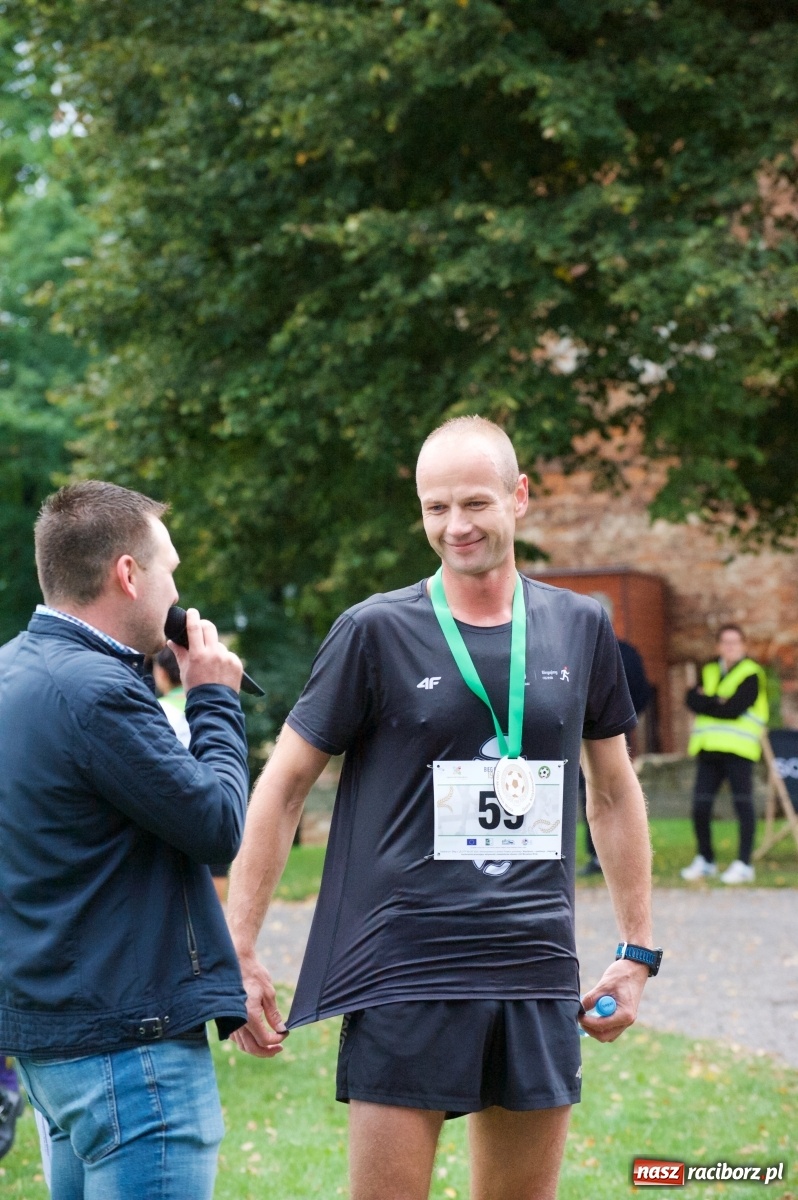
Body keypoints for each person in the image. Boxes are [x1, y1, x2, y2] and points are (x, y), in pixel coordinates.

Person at [227, 417, 660, 1200]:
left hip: (535, 967)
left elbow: (614, 790)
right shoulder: (374, 631)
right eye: (435, 508)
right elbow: (283, 786)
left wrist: (637, 949)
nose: (454, 526)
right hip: (405, 967)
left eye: (474, 502)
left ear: (519, 496)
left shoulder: (580, 625)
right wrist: (242, 946)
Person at [0, 481, 249, 1199]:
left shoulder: (17, 671)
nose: (178, 587)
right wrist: (212, 699)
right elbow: (217, 825)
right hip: (129, 1052)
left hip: (54, 1040)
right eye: (169, 568)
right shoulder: (95, 692)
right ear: (129, 574)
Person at [681, 624, 768, 885]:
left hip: (739, 751)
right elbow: (690, 700)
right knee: (700, 806)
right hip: (708, 749)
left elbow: (735, 709)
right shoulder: (708, 669)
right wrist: (718, 701)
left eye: (735, 642)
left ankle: (744, 863)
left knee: (743, 805)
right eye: (725, 642)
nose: (730, 647)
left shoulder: (751, 673)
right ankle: (706, 860)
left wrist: (709, 701)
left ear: (743, 645)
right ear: (718, 645)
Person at [579, 594, 653, 876]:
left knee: (613, 793)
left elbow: (642, 692)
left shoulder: (623, 654)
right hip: (585, 734)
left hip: (613, 735)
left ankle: (612, 857)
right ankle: (596, 855)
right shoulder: (620, 651)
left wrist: (620, 720)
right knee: (589, 795)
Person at [153, 644, 233, 902]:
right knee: (215, 894)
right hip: (215, 795)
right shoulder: (208, 702)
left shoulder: (157, 710)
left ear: (162, 673)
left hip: (179, 802)